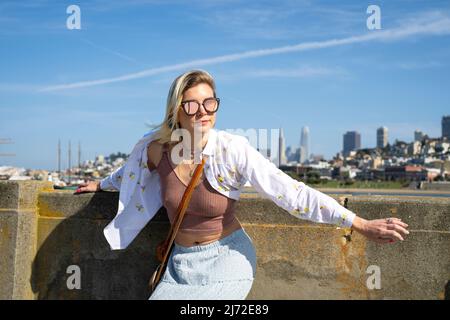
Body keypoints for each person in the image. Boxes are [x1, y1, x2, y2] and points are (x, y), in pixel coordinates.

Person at [76, 69, 409, 300]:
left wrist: (360, 223)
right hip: (179, 264)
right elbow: (130, 174)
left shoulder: (232, 150)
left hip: (228, 258)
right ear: (176, 110)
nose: (202, 113)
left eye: (210, 103)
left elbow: (291, 192)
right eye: (191, 105)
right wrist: (101, 185)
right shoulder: (156, 149)